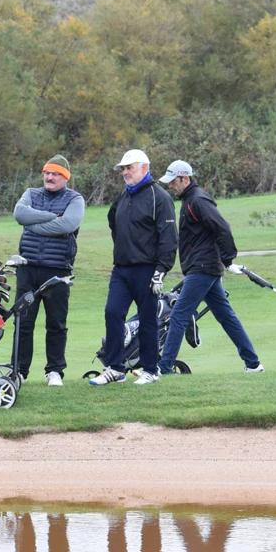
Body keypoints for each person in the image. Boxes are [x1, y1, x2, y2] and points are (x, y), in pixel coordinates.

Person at [152, 160, 263, 381]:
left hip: (202, 268)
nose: (171, 186)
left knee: (179, 316)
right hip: (205, 267)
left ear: (185, 178)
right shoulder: (190, 200)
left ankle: (163, 369)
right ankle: (253, 364)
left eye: (173, 182)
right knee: (226, 317)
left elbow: (222, 227)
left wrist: (228, 258)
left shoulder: (197, 200)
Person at [89, 148, 177, 386]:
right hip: (122, 269)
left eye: (130, 168)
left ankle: (151, 369)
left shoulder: (160, 197)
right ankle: (115, 367)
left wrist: (161, 270)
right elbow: (113, 222)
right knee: (112, 313)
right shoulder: (124, 196)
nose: (125, 172)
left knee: (148, 319)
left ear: (145, 168)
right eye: (123, 169)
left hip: (148, 270)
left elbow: (168, 238)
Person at [12, 153, 84, 387]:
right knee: (23, 322)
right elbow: (19, 214)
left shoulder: (75, 199)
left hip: (58, 270)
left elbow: (68, 224)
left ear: (65, 178)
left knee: (56, 323)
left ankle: (54, 371)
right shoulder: (31, 194)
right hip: (28, 268)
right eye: (47, 173)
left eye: (55, 174)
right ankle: (19, 370)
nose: (49, 177)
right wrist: (52, 217)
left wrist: (33, 225)